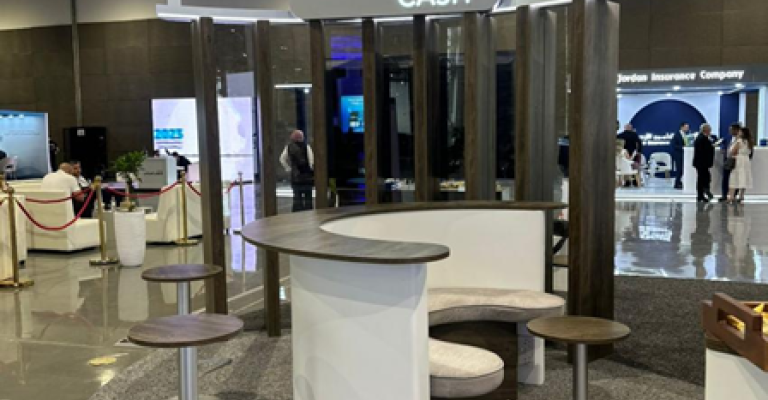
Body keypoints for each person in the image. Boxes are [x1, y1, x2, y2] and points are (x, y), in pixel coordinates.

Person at [280, 130, 315, 212]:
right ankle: (308, 212)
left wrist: (288, 168)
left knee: (297, 197)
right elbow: (311, 161)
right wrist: (312, 171)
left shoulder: (288, 147)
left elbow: (282, 159)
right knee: (308, 197)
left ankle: (297, 213)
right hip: (307, 176)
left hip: (295, 176)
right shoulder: (306, 146)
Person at [727, 127, 754, 204]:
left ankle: (731, 197)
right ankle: (741, 196)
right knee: (744, 177)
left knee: (734, 178)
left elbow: (733, 151)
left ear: (742, 133)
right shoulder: (749, 141)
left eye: (740, 132)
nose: (738, 133)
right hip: (746, 161)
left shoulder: (739, 141)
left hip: (739, 160)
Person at [692, 123, 715, 203]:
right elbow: (704, 150)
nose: (710, 132)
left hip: (701, 163)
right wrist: (712, 146)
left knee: (704, 178)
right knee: (702, 179)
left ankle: (702, 194)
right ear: (706, 130)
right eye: (709, 130)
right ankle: (701, 194)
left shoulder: (702, 138)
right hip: (702, 163)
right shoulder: (702, 138)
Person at [719, 123, 741, 202]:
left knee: (736, 179)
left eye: (731, 130)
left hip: (737, 161)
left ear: (736, 130)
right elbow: (723, 143)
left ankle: (734, 195)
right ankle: (724, 195)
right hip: (728, 160)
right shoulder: (727, 137)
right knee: (725, 178)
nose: (730, 131)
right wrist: (722, 148)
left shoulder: (742, 139)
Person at [670, 122, 689, 190]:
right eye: (686, 127)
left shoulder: (685, 135)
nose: (687, 128)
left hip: (684, 154)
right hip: (678, 154)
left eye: (688, 127)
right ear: (682, 127)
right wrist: (682, 147)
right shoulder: (677, 135)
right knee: (679, 169)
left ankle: (679, 182)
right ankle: (676, 183)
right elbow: (674, 145)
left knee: (682, 170)